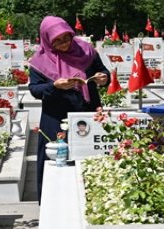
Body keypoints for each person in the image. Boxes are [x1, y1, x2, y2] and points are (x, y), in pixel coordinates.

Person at [28, 16, 107, 198]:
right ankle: (53, 201)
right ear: (47, 40)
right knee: (56, 160)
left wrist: (103, 77)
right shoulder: (39, 61)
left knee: (88, 157)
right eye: (58, 41)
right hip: (55, 117)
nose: (64, 44)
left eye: (67, 38)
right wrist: (54, 86)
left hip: (87, 112)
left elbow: (102, 70)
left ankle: (90, 199)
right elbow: (35, 89)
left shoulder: (86, 51)